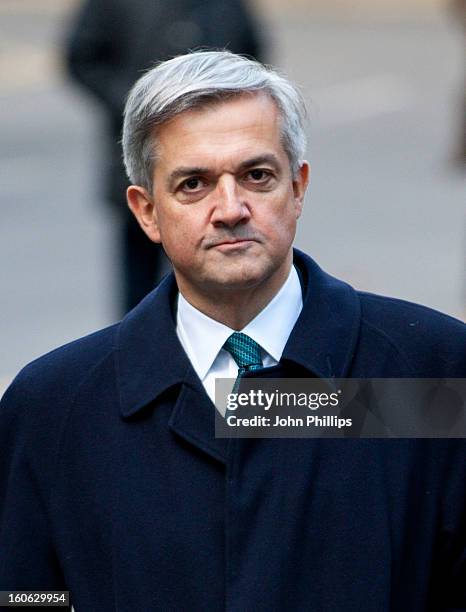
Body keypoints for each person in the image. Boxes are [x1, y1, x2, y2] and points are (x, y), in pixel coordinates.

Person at [1, 51, 465, 611]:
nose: (230, 208)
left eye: (257, 175)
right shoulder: (54, 407)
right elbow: (25, 598)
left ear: (298, 187)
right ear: (146, 211)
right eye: (194, 184)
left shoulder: (433, 373)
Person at [65, 0, 264, 313]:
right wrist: (138, 107)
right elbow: (81, 59)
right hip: (144, 162)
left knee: (218, 281)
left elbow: (252, 60)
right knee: (139, 282)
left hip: (220, 153)